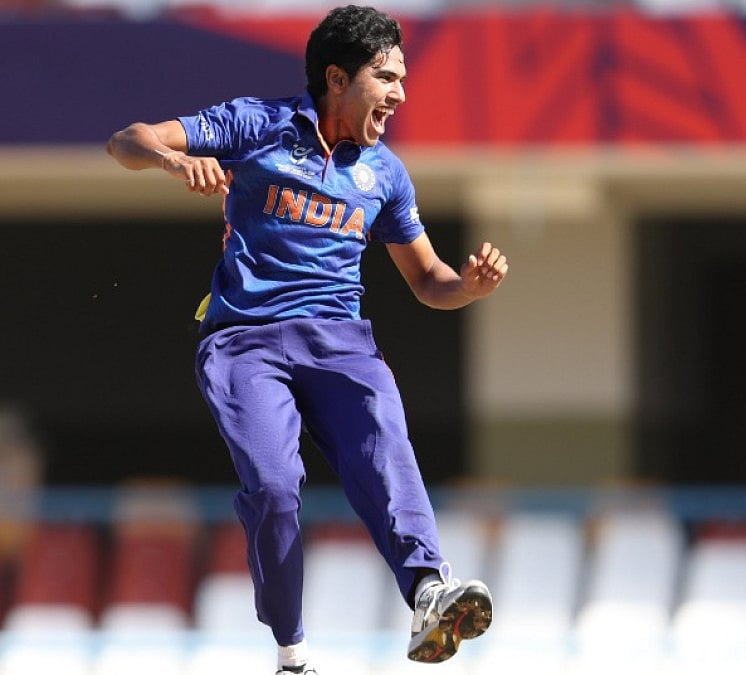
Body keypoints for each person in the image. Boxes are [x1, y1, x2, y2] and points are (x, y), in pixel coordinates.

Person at [107, 6, 505, 673]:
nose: (401, 93)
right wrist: (176, 161)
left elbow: (429, 281)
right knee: (272, 487)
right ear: (336, 77)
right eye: (386, 76)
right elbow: (127, 139)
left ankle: (429, 589)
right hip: (244, 342)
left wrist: (468, 284)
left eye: (403, 77)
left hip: (341, 343)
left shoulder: (386, 175)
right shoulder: (256, 124)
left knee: (384, 441)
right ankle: (292, 652)